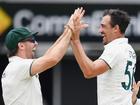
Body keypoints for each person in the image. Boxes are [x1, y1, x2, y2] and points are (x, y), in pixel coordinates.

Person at [1, 7, 87, 105]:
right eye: (32, 40)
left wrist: (68, 29)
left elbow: (48, 56)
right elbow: (52, 59)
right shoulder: (18, 66)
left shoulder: (16, 66)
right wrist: (70, 30)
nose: (36, 43)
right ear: (21, 45)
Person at [70, 9, 137, 105]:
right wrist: (73, 40)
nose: (100, 30)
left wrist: (76, 40)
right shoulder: (128, 49)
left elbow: (90, 71)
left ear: (116, 28)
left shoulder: (115, 48)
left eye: (103, 26)